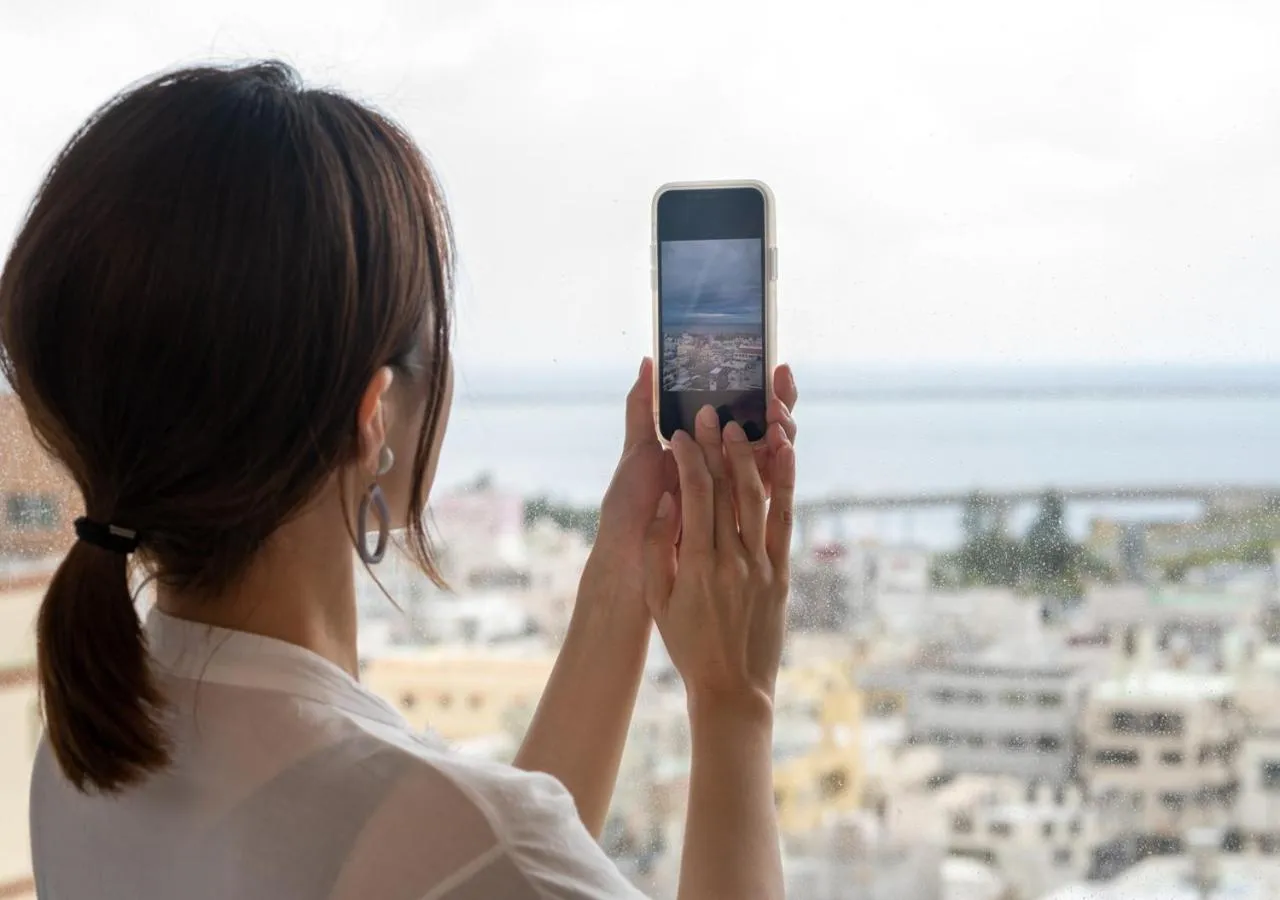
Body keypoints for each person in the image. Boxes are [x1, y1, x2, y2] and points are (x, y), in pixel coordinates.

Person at [0, 61, 799, 900]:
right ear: (373, 412)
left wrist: (622, 578)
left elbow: (476, 859)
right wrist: (734, 703)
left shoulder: (90, 745)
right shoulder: (442, 833)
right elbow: (481, 858)